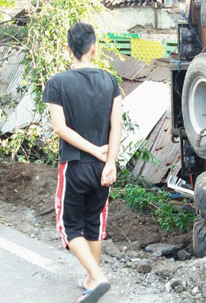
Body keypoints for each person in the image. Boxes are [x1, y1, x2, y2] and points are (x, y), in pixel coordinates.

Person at [43, 22, 122, 303]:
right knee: (94, 222)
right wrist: (109, 160)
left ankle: (97, 277)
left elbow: (60, 128)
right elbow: (117, 125)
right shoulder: (110, 81)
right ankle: (91, 279)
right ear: (94, 48)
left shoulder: (57, 83)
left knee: (68, 226)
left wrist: (92, 151)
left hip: (75, 165)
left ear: (68, 49)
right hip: (103, 168)